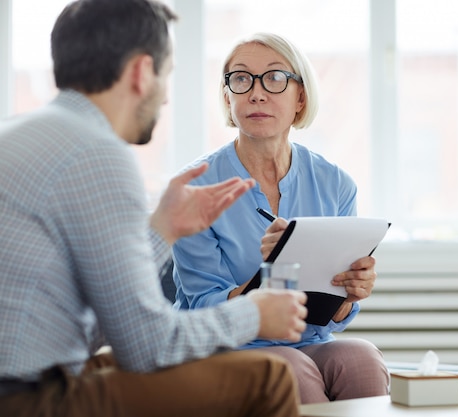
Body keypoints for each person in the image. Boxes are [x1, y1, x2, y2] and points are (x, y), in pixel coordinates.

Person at [0, 2, 309, 417]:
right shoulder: (97, 152)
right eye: (166, 75)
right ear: (142, 72)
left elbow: (103, 323)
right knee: (267, 377)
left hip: (30, 373)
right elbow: (147, 345)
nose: (165, 98)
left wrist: (161, 231)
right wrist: (254, 312)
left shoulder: (24, 132)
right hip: (24, 399)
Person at [172, 32, 390, 404]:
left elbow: (332, 313)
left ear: (300, 97)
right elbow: (201, 306)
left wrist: (350, 292)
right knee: (289, 368)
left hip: (307, 341)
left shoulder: (335, 184)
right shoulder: (195, 187)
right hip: (225, 346)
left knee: (361, 358)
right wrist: (270, 276)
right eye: (241, 79)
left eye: (274, 78)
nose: (257, 93)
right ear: (228, 96)